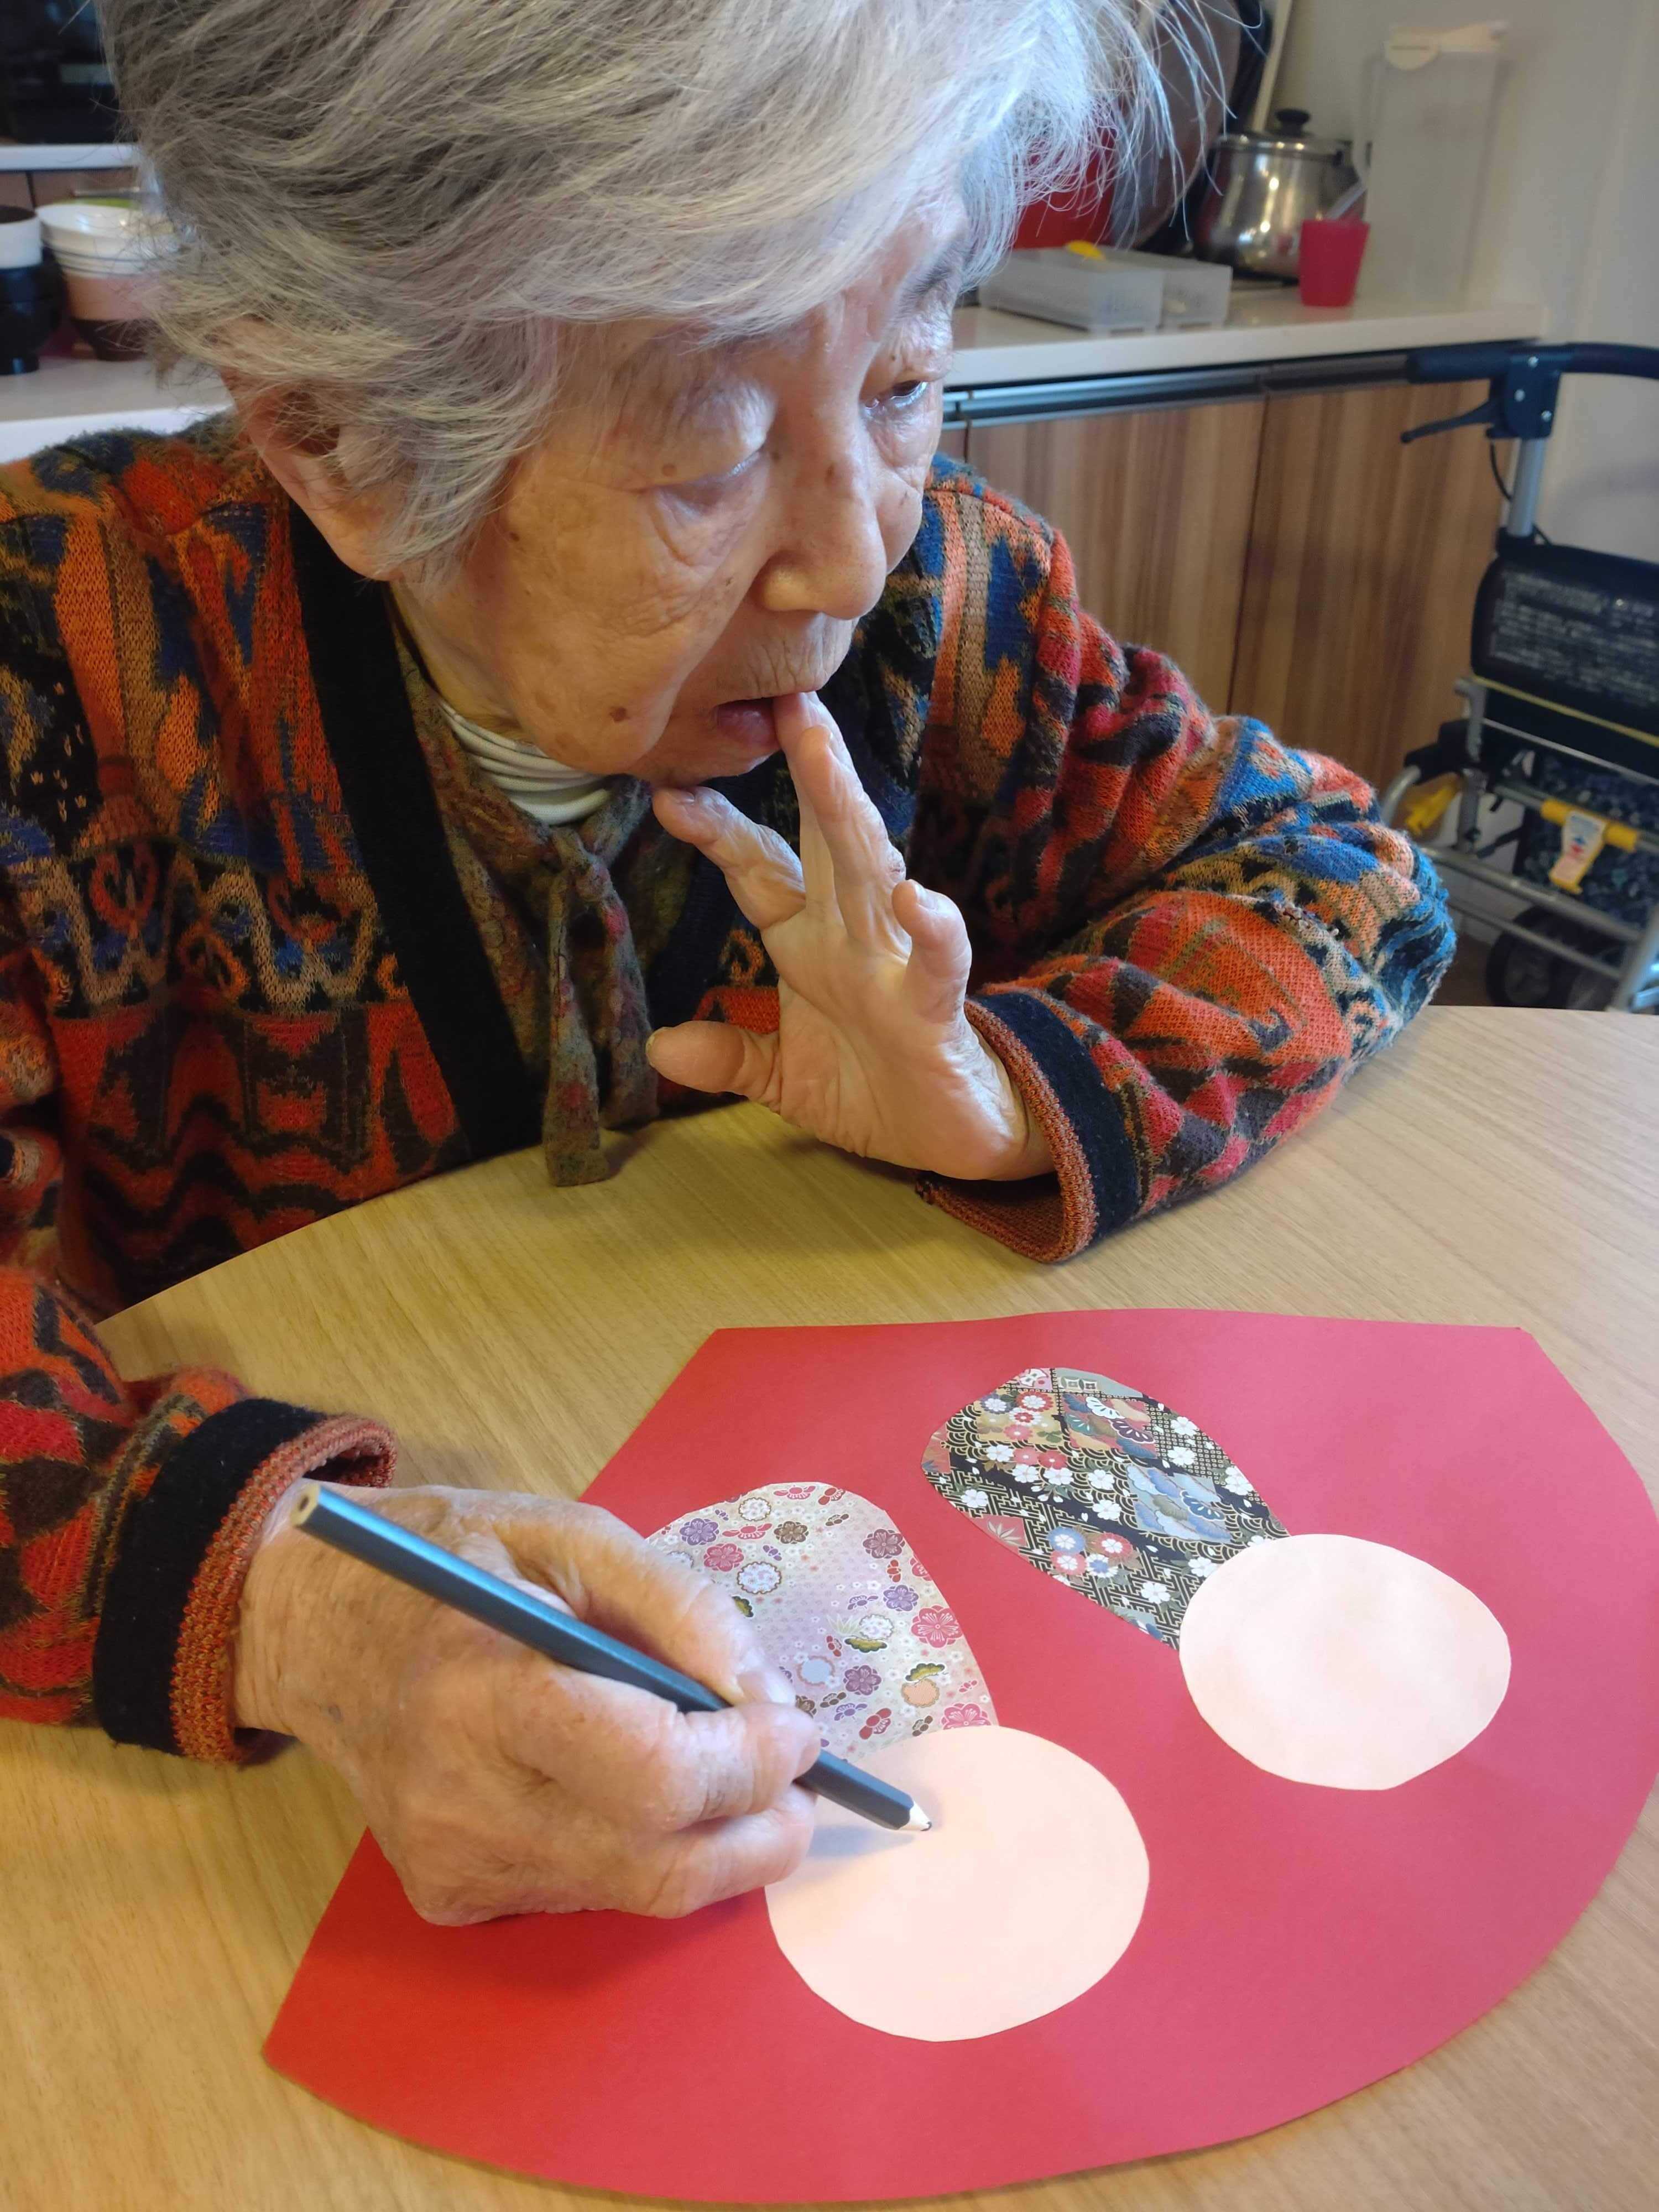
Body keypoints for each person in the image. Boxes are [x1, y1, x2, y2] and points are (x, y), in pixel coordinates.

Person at [0, 0, 1452, 1924]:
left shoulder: (950, 609)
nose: (849, 559)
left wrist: (1005, 1094)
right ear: (344, 439)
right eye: (714, 451)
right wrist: (283, 1602)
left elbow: (1335, 871)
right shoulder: (65, 663)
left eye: (908, 375)